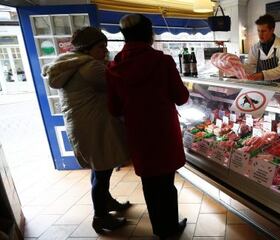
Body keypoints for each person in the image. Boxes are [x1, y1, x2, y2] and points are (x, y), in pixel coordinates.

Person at [106, 14, 189, 240]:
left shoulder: (114, 66)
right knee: (166, 184)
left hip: (138, 133)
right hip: (163, 132)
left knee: (149, 184)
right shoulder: (162, 61)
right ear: (149, 34)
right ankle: (170, 227)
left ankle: (159, 229)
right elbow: (181, 97)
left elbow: (114, 108)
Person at [42, 27, 131, 233]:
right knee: (101, 172)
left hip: (84, 124)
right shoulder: (91, 67)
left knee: (99, 167)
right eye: (101, 47)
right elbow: (119, 86)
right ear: (87, 48)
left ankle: (107, 203)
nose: (105, 51)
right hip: (94, 124)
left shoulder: (69, 63)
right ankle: (100, 218)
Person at [246, 14, 280, 83]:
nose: (260, 35)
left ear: (272, 30)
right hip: (265, 88)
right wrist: (238, 67)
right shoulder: (255, 48)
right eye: (258, 31)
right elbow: (250, 66)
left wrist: (262, 75)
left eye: (263, 31)